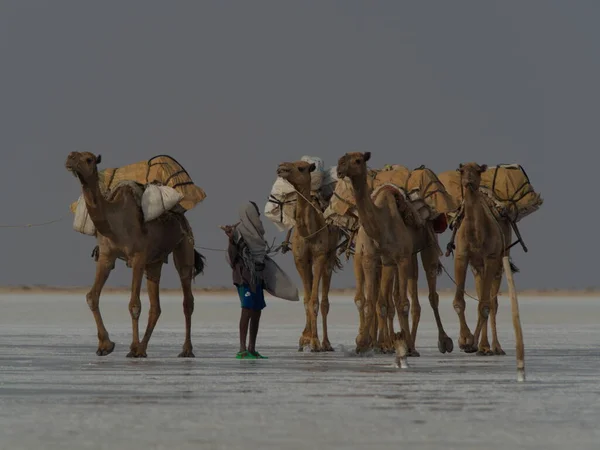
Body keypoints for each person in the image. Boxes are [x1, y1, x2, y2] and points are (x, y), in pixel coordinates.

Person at [224, 201, 269, 360]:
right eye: (256, 212)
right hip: (244, 278)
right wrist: (230, 240)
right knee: (247, 310)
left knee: (257, 311)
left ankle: (252, 348)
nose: (258, 215)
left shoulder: (258, 233)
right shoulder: (238, 232)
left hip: (258, 277)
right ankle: (242, 349)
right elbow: (232, 257)